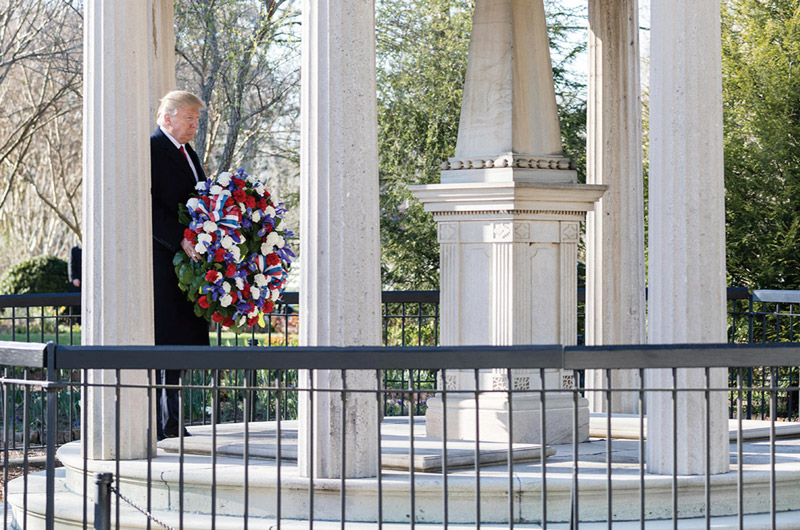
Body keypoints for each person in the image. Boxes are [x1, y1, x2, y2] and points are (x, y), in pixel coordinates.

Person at [151, 90, 210, 440]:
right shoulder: (153, 150)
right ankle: (164, 423)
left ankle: (172, 421)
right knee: (166, 344)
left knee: (181, 347)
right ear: (168, 117)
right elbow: (148, 206)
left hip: (186, 267)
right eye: (190, 119)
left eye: (197, 120)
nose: (194, 127)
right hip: (165, 264)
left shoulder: (188, 153)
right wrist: (181, 239)